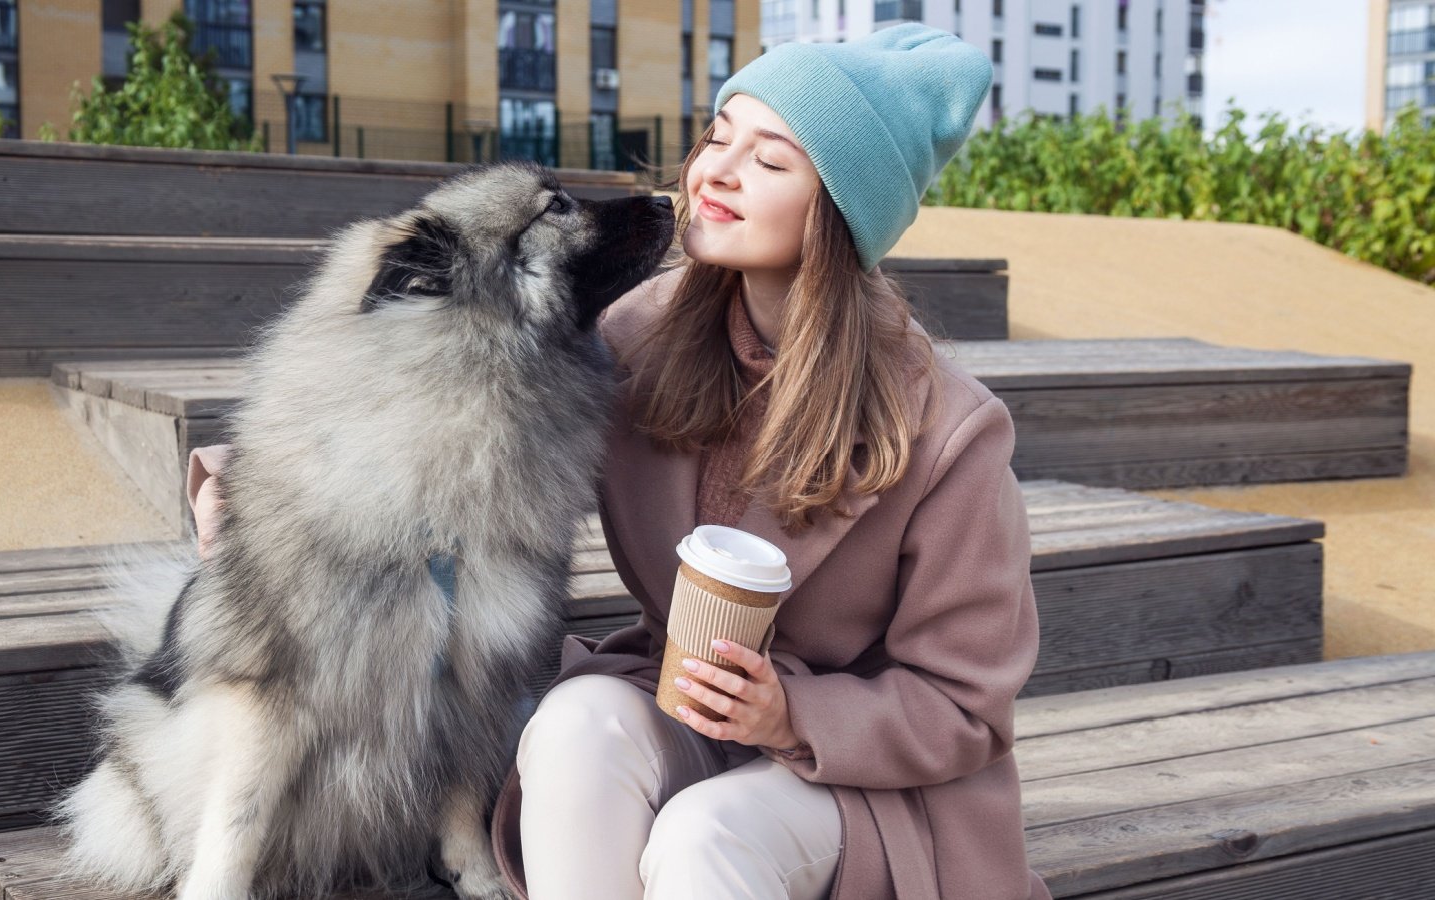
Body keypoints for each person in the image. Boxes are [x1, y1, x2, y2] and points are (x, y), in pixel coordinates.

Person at [187, 22, 1049, 900]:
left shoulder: (948, 431)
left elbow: (966, 706)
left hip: (867, 783)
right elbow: (444, 419)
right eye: (718, 136)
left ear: (842, 208)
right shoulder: (640, 334)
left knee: (703, 834)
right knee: (572, 727)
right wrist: (246, 492)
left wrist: (794, 715)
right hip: (680, 710)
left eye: (772, 160)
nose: (715, 170)